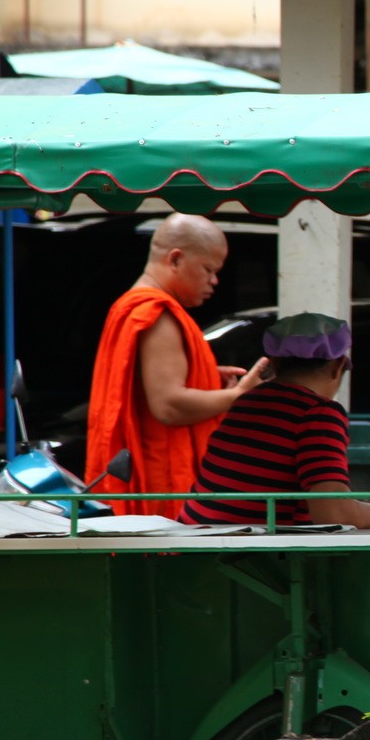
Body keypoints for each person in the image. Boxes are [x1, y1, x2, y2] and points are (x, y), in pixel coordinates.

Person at [182, 314, 370, 529]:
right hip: (246, 562)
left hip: (196, 541)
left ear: (275, 363)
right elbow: (335, 515)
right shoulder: (318, 413)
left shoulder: (246, 401)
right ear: (337, 366)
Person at [87, 216, 269, 518]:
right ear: (175, 259)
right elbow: (169, 406)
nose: (214, 281)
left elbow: (147, 388)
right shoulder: (157, 313)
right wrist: (238, 396)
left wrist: (206, 376)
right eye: (208, 270)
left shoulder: (132, 304)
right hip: (162, 484)